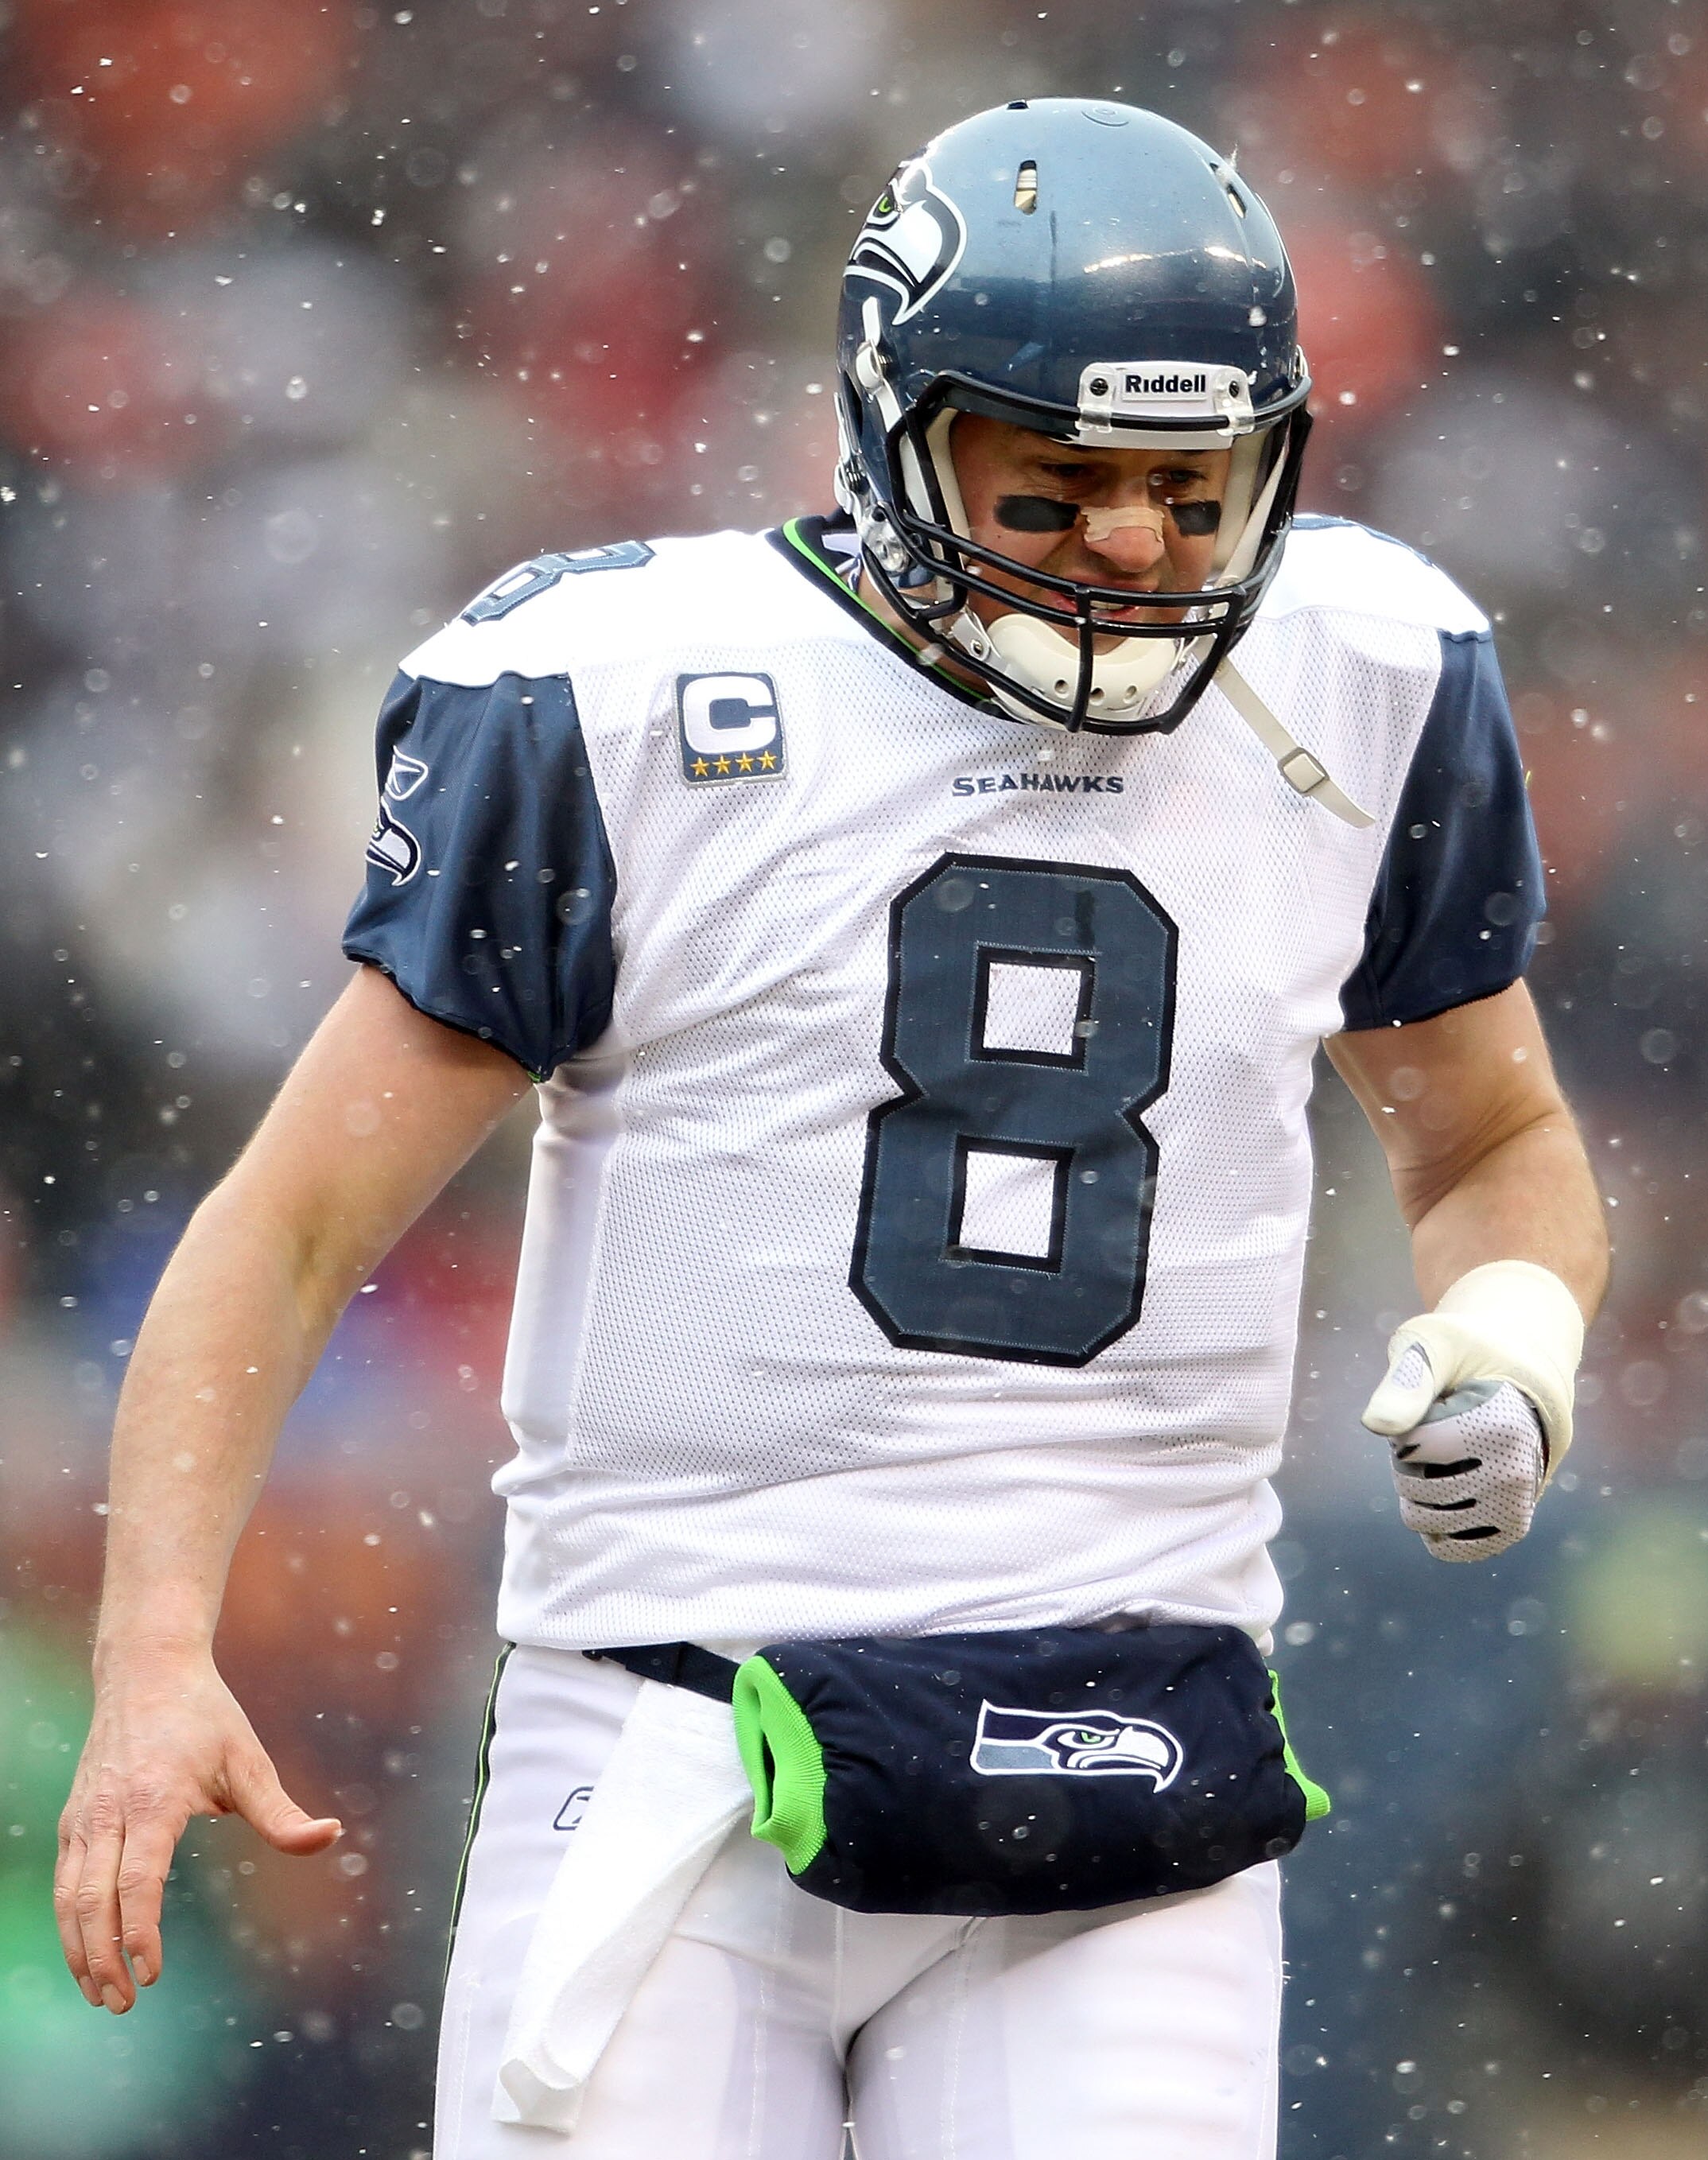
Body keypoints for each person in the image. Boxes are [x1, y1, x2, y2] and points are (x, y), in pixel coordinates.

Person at [58, 99, 1606, 2158]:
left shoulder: (1365, 673)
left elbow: (1492, 1140)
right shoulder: (631, 697)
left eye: (1187, 485)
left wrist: (1514, 1335)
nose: (1132, 547)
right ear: (893, 435)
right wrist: (154, 1651)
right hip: (678, 1743)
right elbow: (289, 1228)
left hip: (1127, 1746)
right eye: (1053, 484)